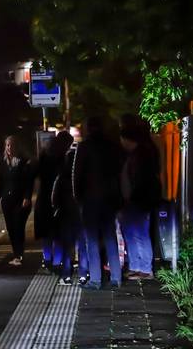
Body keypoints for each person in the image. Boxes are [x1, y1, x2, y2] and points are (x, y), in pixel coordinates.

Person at [72, 116, 124, 289]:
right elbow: (119, 173)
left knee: (92, 240)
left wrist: (78, 197)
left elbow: (77, 175)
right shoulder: (112, 147)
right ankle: (116, 277)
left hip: (90, 199)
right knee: (110, 237)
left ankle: (95, 279)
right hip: (110, 198)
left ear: (88, 129)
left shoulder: (84, 147)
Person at [119, 123, 161, 280]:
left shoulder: (140, 155)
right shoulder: (139, 154)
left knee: (139, 234)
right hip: (135, 200)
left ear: (127, 139)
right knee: (133, 233)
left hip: (138, 200)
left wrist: (133, 198)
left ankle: (145, 269)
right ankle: (137, 266)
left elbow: (140, 180)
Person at [33, 131, 73, 271]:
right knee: (58, 232)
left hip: (44, 197)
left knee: (46, 233)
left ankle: (47, 259)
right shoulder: (62, 158)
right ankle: (56, 262)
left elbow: (36, 175)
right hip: (58, 198)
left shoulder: (44, 155)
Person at [0, 136, 33, 266]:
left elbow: (29, 181)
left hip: (20, 200)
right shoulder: (2, 161)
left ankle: (19, 254)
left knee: (18, 226)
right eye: (7, 145)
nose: (10, 148)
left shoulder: (23, 162)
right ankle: (16, 253)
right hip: (7, 200)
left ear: (17, 147)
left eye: (12, 145)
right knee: (10, 228)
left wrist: (27, 197)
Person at [52, 140, 83, 285]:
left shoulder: (61, 178)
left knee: (67, 246)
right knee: (83, 244)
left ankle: (66, 275)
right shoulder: (83, 177)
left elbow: (54, 198)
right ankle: (84, 274)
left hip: (65, 214)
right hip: (82, 214)